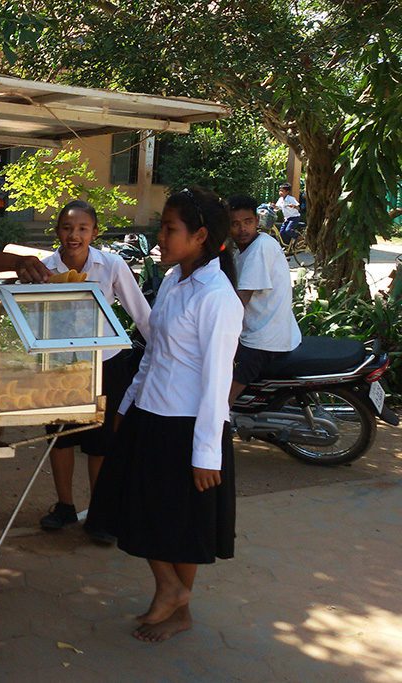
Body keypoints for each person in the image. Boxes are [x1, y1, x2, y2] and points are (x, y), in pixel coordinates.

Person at [113, 187, 243, 643]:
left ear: (200, 236)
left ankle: (177, 605)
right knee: (145, 510)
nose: (161, 237)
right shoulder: (173, 281)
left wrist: (207, 452)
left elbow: (215, 382)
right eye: (162, 227)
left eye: (170, 229)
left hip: (189, 426)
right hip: (151, 413)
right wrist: (128, 403)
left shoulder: (218, 298)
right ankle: (170, 590)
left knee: (182, 523)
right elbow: (154, 350)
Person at [38, 201, 151, 543]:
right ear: (57, 230)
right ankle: (65, 506)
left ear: (94, 232)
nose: (74, 235)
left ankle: (100, 514)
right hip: (59, 365)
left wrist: (164, 351)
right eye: (67, 228)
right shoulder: (45, 267)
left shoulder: (112, 265)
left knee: (100, 444)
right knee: (60, 437)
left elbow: (141, 313)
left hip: (106, 362)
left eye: (82, 229)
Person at [227, 194, 301, 402]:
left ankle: (219, 423)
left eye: (248, 222)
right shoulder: (240, 251)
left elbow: (240, 300)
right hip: (262, 331)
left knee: (222, 399)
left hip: (263, 339)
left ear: (257, 222)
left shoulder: (261, 247)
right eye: (235, 224)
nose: (242, 229)